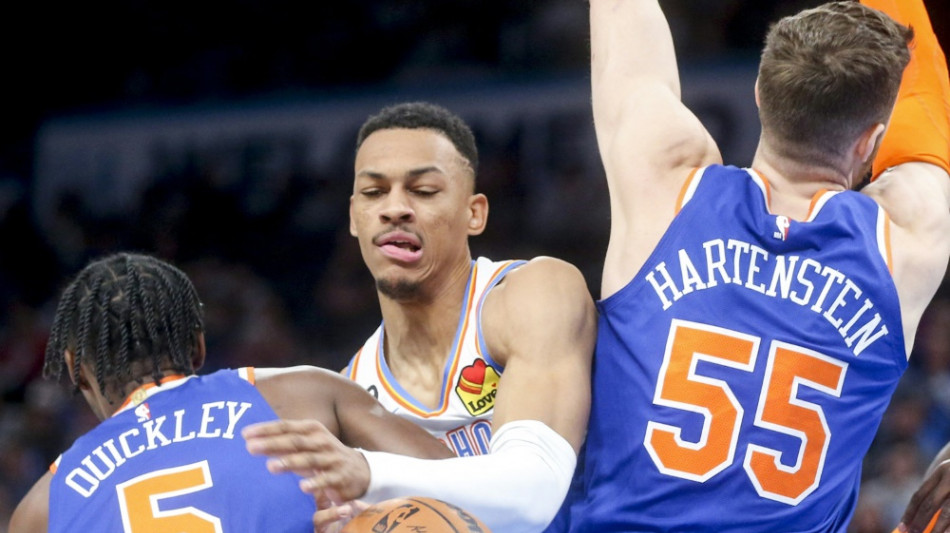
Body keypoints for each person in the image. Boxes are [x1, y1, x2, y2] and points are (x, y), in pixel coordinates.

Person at [564, 0, 950, 530]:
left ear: (759, 96)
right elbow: (925, 103)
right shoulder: (905, 241)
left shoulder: (667, 183)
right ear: (871, 139)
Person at [243, 101, 597, 533]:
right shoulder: (352, 390)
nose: (395, 208)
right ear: (354, 217)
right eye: (374, 193)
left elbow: (536, 493)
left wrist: (369, 474)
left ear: (474, 213)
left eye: (424, 190)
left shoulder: (534, 293)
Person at [8, 252, 453, 533]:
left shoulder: (41, 508)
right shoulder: (305, 395)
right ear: (198, 346)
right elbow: (461, 482)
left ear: (76, 371)